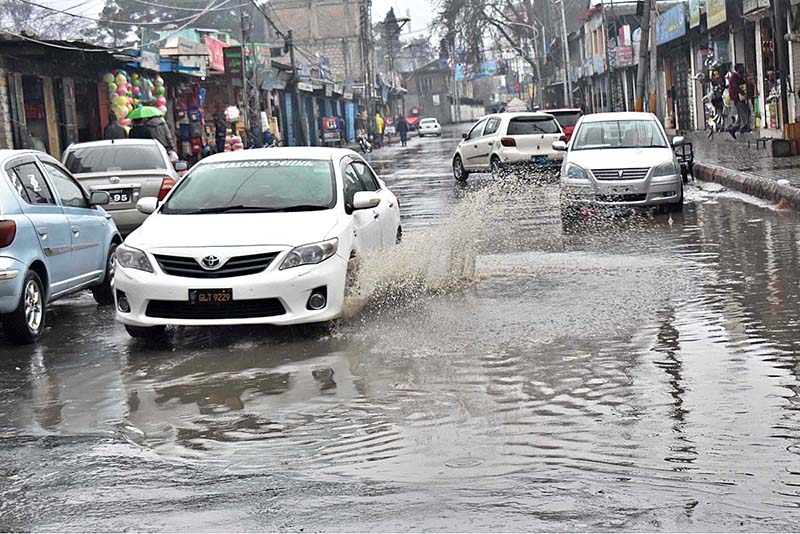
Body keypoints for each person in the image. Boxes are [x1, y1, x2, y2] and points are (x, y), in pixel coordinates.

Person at [728, 64, 751, 138]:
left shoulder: (738, 77)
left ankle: (734, 128)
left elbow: (743, 83)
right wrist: (742, 93)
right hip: (737, 98)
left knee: (742, 113)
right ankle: (744, 127)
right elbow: (736, 87)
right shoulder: (734, 77)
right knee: (744, 111)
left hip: (739, 98)